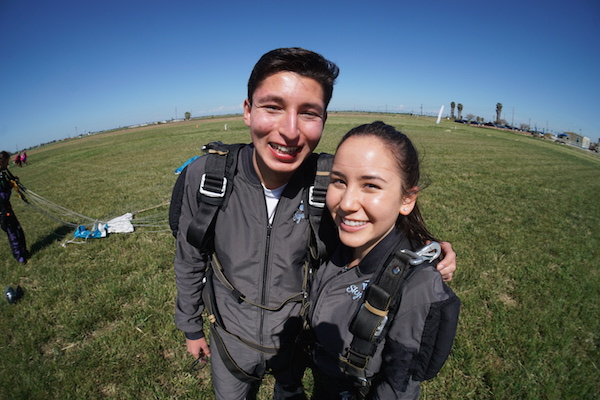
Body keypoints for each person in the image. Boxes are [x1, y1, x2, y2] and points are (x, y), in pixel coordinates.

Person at [172, 48, 456, 400]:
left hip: (296, 347)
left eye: (308, 113)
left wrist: (426, 249)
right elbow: (189, 257)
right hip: (230, 345)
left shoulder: (331, 180)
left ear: (324, 119)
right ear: (247, 111)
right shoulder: (206, 177)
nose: (289, 131)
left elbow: (384, 201)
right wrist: (190, 327)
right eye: (272, 107)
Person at [308, 121, 460, 399]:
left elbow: (397, 387)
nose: (346, 203)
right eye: (339, 181)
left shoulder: (417, 286)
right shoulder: (336, 241)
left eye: (371, 185)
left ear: (407, 199)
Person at [0, 151, 28, 263]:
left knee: (18, 230)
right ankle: (19, 257)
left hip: (7, 208)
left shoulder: (3, 172)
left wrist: (12, 181)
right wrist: (9, 187)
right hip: (2, 211)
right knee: (13, 234)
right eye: (6, 162)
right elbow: (2, 196)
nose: (7, 164)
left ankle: (23, 251)